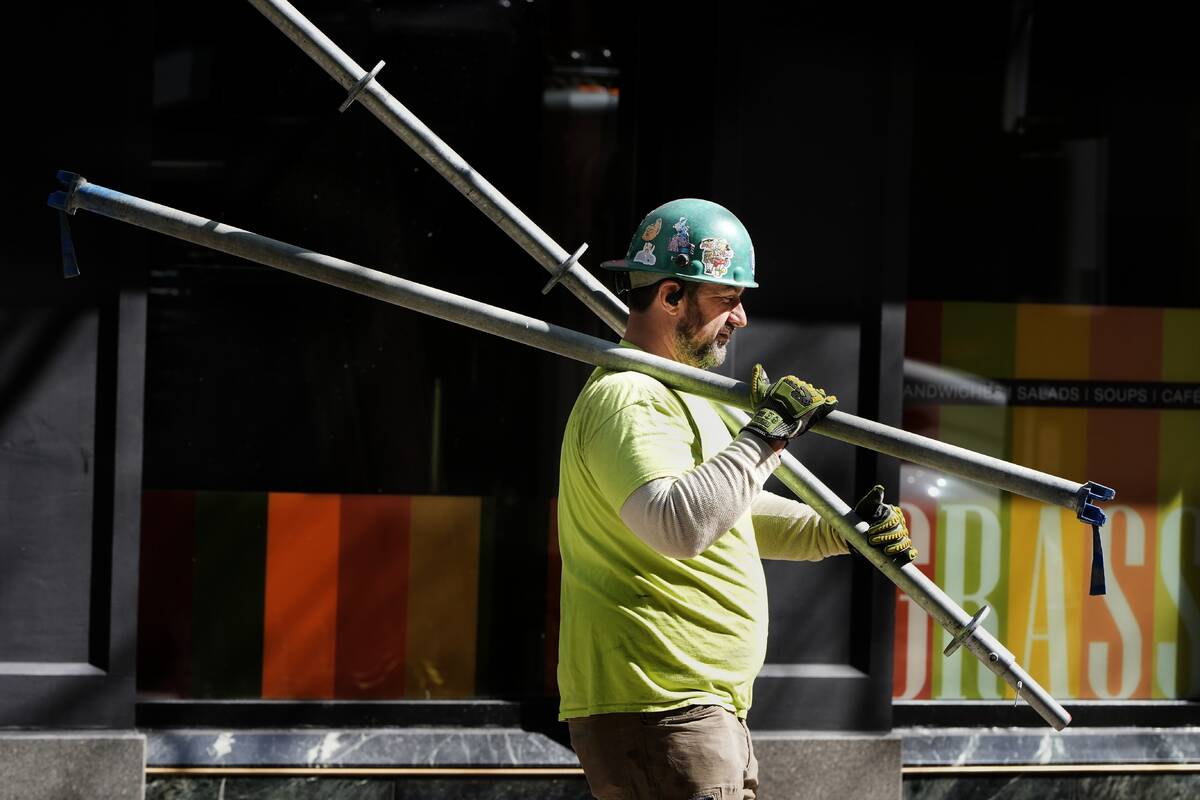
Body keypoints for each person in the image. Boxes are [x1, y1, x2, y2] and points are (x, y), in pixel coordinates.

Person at [556, 198, 917, 799]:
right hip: (662, 705)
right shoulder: (631, 396)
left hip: (694, 708)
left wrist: (842, 529)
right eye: (728, 299)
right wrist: (765, 435)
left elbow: (731, 514)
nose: (742, 318)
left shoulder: (685, 391)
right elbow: (678, 523)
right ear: (672, 297)